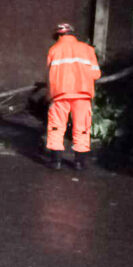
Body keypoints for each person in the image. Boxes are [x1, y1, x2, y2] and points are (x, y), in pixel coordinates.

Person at [45, 23, 101, 170]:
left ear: (58, 36)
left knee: (57, 126)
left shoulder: (53, 50)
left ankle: (56, 162)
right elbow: (96, 74)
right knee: (81, 127)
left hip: (59, 94)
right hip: (82, 94)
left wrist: (48, 94)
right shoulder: (88, 49)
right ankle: (79, 163)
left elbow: (49, 75)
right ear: (72, 34)